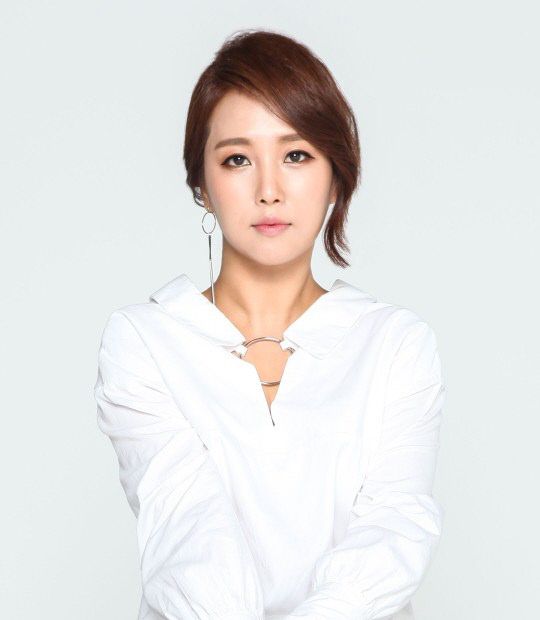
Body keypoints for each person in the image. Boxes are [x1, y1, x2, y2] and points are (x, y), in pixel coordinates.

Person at [94, 29, 446, 620]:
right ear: (202, 185)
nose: (269, 190)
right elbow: (187, 531)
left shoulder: (394, 344)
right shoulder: (145, 341)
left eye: (296, 155)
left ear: (336, 174)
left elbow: (394, 528)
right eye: (237, 159)